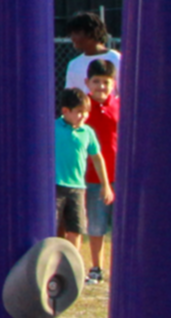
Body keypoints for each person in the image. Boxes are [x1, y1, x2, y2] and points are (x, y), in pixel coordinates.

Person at [53, 87, 112, 255]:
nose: (84, 116)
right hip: (55, 186)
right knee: (52, 227)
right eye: (79, 112)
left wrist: (105, 185)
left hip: (78, 188)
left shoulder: (87, 132)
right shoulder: (52, 128)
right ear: (66, 111)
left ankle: (72, 265)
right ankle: (52, 263)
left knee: (76, 228)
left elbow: (97, 158)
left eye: (86, 112)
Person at [81, 58, 121, 283]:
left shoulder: (120, 105)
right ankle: (96, 267)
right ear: (87, 83)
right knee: (96, 225)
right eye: (96, 81)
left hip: (119, 176)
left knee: (122, 226)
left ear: (113, 84)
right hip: (92, 177)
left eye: (106, 82)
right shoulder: (83, 109)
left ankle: (124, 267)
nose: (101, 87)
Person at [63, 11, 123, 93]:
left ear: (91, 33)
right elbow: (70, 97)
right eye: (71, 34)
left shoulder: (117, 59)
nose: (72, 38)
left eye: (76, 33)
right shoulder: (73, 64)